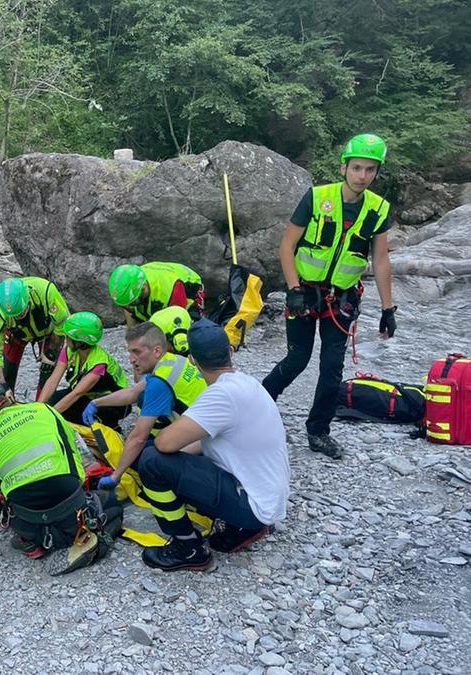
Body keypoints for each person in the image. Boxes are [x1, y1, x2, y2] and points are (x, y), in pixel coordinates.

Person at [262, 133, 396, 459]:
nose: (362, 176)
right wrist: (293, 290)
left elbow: (379, 260)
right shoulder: (316, 198)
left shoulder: (378, 210)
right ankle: (258, 404)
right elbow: (287, 246)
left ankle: (318, 431)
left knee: (332, 366)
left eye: (369, 170)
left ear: (376, 172)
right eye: (357, 168)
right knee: (297, 358)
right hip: (304, 293)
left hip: (342, 299)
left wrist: (388, 308)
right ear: (344, 167)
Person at [137, 319, 290, 571]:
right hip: (268, 494)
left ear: (192, 361)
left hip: (253, 504)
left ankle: (188, 549)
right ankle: (238, 527)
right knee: (170, 457)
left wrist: (169, 465)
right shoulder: (247, 383)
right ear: (229, 352)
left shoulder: (220, 396)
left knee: (151, 461)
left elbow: (165, 443)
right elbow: (207, 441)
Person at [0, 376, 123, 575]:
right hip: (68, 498)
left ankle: (34, 541)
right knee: (112, 502)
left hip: (28, 518)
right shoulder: (44, 410)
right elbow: (73, 451)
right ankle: (90, 539)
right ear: (8, 396)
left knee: (26, 519)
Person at [86, 322, 206, 492]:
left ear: (156, 350)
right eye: (130, 351)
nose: (131, 359)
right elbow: (133, 393)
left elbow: (138, 438)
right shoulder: (172, 360)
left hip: (203, 444)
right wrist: (96, 403)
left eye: (136, 352)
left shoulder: (160, 383)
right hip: (204, 429)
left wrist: (116, 476)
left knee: (143, 458)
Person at [37, 311, 130, 429]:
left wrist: (49, 417)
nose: (65, 339)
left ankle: (112, 429)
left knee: (96, 416)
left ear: (80, 341)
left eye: (68, 337)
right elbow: (53, 381)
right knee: (53, 400)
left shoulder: (98, 363)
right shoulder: (69, 350)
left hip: (113, 401)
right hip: (89, 396)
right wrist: (38, 409)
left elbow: (76, 393)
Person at [0, 276, 69, 393]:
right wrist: (2, 385)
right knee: (7, 376)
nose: (18, 316)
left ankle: (42, 405)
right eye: (14, 315)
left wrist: (51, 352)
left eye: (21, 312)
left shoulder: (47, 291)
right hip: (15, 335)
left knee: (47, 372)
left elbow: (62, 325)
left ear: (28, 297)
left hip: (47, 333)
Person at [108, 261, 204, 325]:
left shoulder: (173, 290)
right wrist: (131, 336)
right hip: (157, 278)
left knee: (191, 327)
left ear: (143, 288)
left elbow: (179, 319)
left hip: (189, 286)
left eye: (132, 302)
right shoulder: (132, 284)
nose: (129, 306)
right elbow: (129, 312)